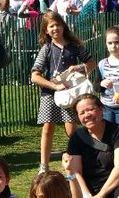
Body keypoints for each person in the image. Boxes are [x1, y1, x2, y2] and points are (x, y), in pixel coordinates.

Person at [30, 11, 97, 174]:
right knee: (48, 127)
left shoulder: (74, 46)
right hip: (50, 93)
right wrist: (54, 86)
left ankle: (76, 161)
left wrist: (79, 67)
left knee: (71, 130)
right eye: (51, 26)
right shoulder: (46, 49)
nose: (55, 28)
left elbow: (92, 63)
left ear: (63, 26)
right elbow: (35, 76)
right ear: (46, 30)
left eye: (58, 25)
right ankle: (44, 166)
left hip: (70, 93)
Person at [65, 94, 119, 198]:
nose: (87, 115)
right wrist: (87, 196)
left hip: (113, 185)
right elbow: (76, 172)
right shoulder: (76, 137)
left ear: (101, 109)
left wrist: (100, 196)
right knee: (63, 193)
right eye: (82, 113)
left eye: (90, 109)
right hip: (87, 187)